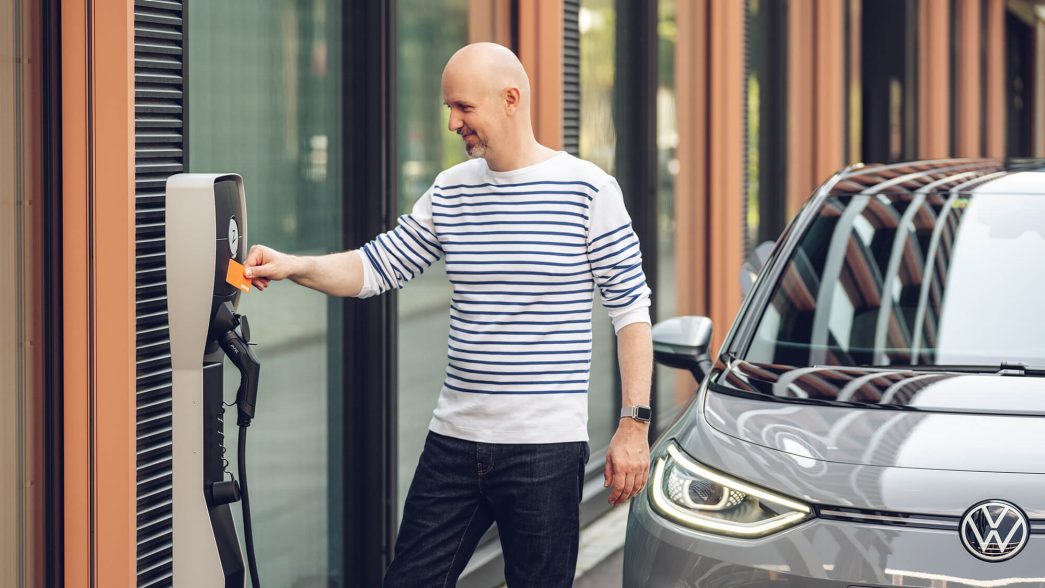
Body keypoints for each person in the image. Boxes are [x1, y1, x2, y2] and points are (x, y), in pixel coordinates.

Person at [244, 42, 653, 587]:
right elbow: (375, 267)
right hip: (454, 441)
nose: (454, 122)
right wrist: (296, 265)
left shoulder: (589, 190)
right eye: (449, 110)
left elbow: (631, 312)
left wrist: (634, 425)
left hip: (544, 450)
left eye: (464, 107)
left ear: (510, 99)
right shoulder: (451, 191)